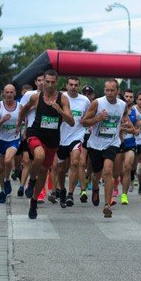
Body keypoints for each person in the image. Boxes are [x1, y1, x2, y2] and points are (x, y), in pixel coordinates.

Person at [17, 70, 75, 219]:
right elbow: (23, 110)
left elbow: (71, 122)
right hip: (35, 133)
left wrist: (60, 111)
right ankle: (31, 181)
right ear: (42, 82)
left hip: (52, 139)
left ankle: (34, 200)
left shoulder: (63, 99)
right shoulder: (36, 97)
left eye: (52, 82)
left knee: (44, 171)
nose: (49, 85)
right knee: (39, 155)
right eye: (46, 81)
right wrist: (19, 125)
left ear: (56, 83)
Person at [80, 79, 133, 218]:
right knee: (96, 175)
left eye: (112, 90)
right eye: (107, 90)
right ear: (104, 90)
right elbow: (84, 122)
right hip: (95, 144)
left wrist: (132, 128)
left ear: (118, 91)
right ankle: (95, 187)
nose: (110, 93)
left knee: (108, 171)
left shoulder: (122, 105)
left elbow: (125, 118)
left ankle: (107, 205)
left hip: (112, 142)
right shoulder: (97, 103)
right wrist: (98, 118)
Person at [55, 77, 90, 208]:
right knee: (60, 168)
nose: (73, 87)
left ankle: (70, 194)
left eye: (76, 85)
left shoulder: (85, 100)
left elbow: (88, 116)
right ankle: (62, 189)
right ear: (66, 85)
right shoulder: (60, 98)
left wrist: (87, 121)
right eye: (71, 84)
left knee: (75, 162)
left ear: (78, 86)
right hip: (61, 136)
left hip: (77, 135)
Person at [0, 85, 21, 203]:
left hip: (13, 139)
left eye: (11, 92)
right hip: (0, 139)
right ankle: (3, 190)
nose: (9, 94)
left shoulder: (20, 106)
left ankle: (7, 180)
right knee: (0, 168)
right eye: (7, 92)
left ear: (15, 93)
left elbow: (25, 120)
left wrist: (20, 127)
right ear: (3, 93)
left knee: (8, 160)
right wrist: (2, 120)